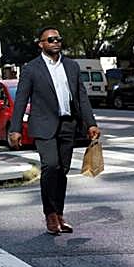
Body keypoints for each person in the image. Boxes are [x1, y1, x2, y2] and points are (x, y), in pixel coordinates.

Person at [8, 26, 100, 235]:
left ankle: (59, 213)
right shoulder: (31, 69)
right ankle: (50, 214)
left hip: (68, 124)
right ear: (41, 44)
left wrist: (91, 123)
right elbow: (21, 99)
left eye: (58, 39)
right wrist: (15, 129)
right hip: (43, 125)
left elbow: (81, 96)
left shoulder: (72, 66)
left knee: (62, 171)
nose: (56, 42)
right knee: (50, 166)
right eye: (50, 39)